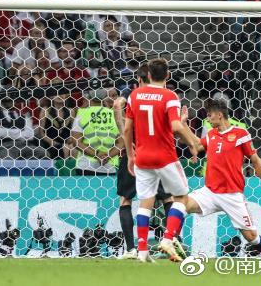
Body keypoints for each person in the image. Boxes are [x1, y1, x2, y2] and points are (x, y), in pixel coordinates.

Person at [123, 58, 202, 262]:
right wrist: (191, 143)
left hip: (142, 157)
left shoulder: (134, 95)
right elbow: (175, 127)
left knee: (145, 202)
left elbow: (127, 129)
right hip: (165, 157)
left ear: (148, 75)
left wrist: (131, 155)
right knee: (181, 198)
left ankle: (142, 250)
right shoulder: (170, 96)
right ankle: (168, 238)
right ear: (168, 75)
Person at [184, 98, 261, 256]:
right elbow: (196, 145)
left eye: (209, 115)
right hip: (210, 192)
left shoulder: (240, 134)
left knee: (251, 237)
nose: (207, 119)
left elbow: (256, 161)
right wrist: (183, 124)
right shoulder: (211, 135)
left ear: (219, 115)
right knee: (182, 204)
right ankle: (170, 241)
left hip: (232, 195)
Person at [111, 65, 175, 260]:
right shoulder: (164, 95)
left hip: (134, 153)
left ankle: (131, 249)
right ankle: (173, 242)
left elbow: (116, 105)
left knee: (126, 199)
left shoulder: (133, 95)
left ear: (139, 79)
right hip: (158, 153)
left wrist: (126, 137)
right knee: (168, 198)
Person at [70, 89, 122, 175]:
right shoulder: (114, 115)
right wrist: (107, 156)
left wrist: (97, 155)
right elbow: (121, 143)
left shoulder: (82, 113)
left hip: (85, 166)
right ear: (105, 97)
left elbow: (76, 142)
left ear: (87, 96)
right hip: (109, 167)